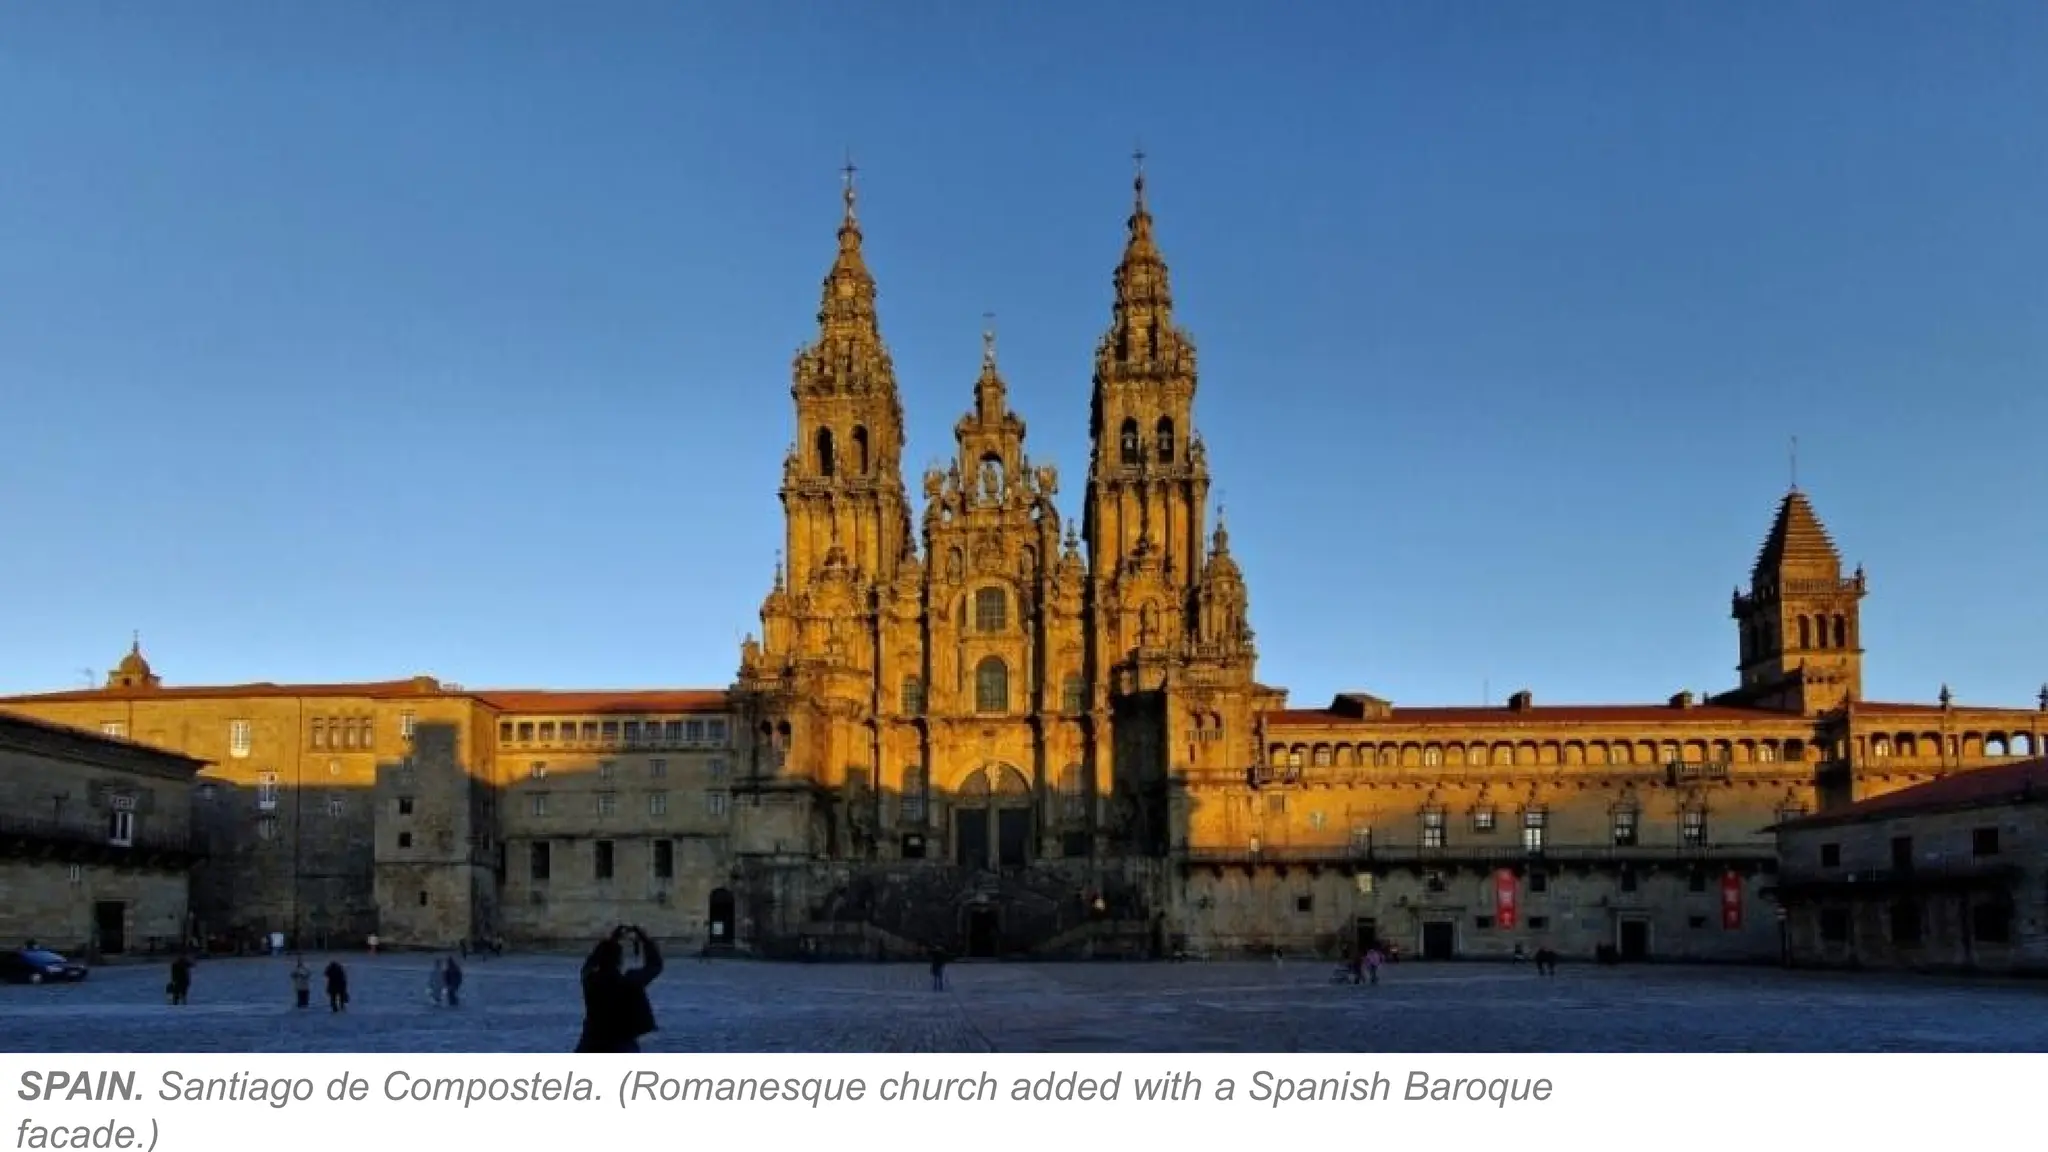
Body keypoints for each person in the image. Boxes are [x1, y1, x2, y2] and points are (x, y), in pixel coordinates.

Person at [574, 925, 662, 1053]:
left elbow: (589, 964)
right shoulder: (630, 981)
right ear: (619, 961)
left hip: (591, 1042)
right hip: (621, 1043)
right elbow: (655, 965)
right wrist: (645, 939)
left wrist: (611, 940)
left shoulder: (591, 981)